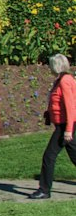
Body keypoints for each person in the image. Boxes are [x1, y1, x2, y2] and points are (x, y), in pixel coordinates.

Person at [29, 53, 76, 199]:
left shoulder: (65, 81)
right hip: (63, 125)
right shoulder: (61, 80)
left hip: (65, 126)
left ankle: (44, 190)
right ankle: (44, 189)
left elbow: (70, 106)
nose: (49, 67)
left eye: (50, 65)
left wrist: (68, 130)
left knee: (49, 156)